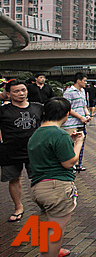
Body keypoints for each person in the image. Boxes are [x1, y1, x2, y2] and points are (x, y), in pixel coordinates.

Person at [28, 97, 83, 257]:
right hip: (57, 188)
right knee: (56, 232)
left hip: (39, 188)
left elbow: (50, 154)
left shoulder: (36, 134)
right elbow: (68, 162)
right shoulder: (59, 134)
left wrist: (69, 142)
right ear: (66, 115)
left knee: (47, 227)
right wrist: (79, 142)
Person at [0, 80, 43, 222]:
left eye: (23, 90)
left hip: (34, 150)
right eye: (16, 91)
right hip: (10, 151)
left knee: (40, 179)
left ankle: (44, 205)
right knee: (14, 179)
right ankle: (18, 207)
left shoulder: (37, 107)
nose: (21, 94)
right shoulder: (3, 110)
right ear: (8, 94)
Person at [61, 73, 91, 172]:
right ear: (78, 80)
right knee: (70, 145)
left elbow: (84, 106)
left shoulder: (82, 91)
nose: (86, 83)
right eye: (84, 80)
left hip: (81, 123)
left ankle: (78, 164)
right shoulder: (69, 92)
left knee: (80, 144)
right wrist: (81, 117)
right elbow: (67, 108)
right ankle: (70, 166)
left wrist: (87, 115)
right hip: (71, 123)